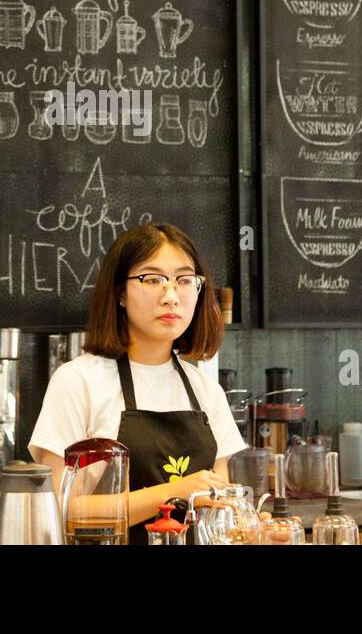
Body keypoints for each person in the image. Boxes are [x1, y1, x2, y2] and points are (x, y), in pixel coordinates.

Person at [29, 223, 247, 540]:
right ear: (120, 293)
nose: (171, 296)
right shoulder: (78, 381)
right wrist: (176, 491)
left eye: (185, 280)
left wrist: (248, 526)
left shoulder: (205, 389)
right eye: (153, 279)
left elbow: (217, 507)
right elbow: (59, 507)